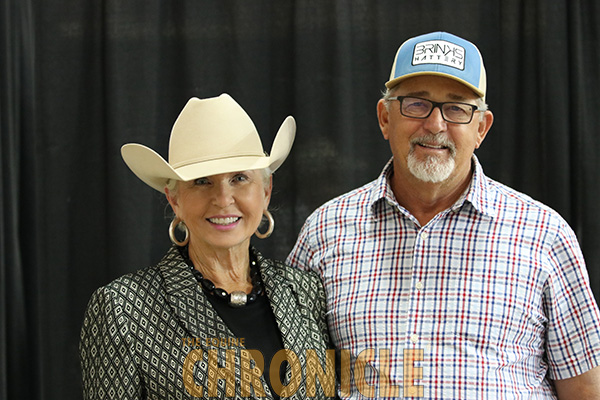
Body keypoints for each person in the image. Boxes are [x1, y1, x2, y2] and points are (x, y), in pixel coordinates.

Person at [287, 31, 600, 399]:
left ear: (481, 128)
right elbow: (297, 377)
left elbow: (584, 389)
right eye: (417, 104)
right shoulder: (325, 231)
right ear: (385, 117)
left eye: (456, 108)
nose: (435, 125)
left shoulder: (545, 234)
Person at [80, 94, 335, 399]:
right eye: (202, 181)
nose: (223, 199)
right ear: (174, 199)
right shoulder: (123, 308)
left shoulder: (305, 291)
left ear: (265, 191)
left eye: (239, 178)